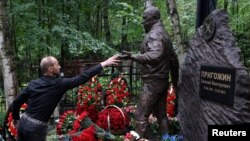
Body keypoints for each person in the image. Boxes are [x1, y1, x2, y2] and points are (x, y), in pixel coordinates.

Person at [9, 55, 120, 141]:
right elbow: (82, 78)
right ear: (50, 68)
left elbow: (16, 102)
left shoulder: (33, 84)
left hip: (23, 123)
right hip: (36, 129)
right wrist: (104, 64)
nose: (60, 66)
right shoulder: (59, 84)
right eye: (57, 65)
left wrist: (16, 118)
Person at [120, 6, 179, 140]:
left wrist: (133, 56)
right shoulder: (164, 34)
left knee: (140, 115)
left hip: (153, 82)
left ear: (153, 19)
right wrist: (174, 80)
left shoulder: (154, 34)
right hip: (161, 81)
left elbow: (155, 55)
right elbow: (174, 60)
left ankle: (143, 139)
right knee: (161, 115)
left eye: (145, 19)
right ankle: (166, 138)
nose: (143, 22)